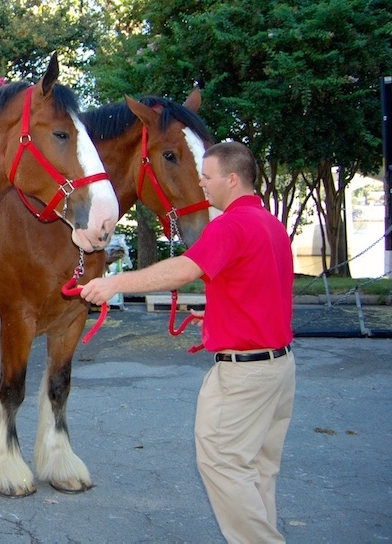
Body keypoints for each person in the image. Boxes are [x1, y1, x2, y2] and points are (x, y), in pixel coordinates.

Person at [79, 141, 295, 543]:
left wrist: (115, 283)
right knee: (256, 470)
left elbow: (184, 270)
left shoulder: (230, 224)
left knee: (222, 463)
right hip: (279, 369)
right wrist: (216, 314)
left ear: (233, 179)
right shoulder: (269, 224)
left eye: (207, 177)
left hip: (244, 376)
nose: (202, 184)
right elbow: (261, 288)